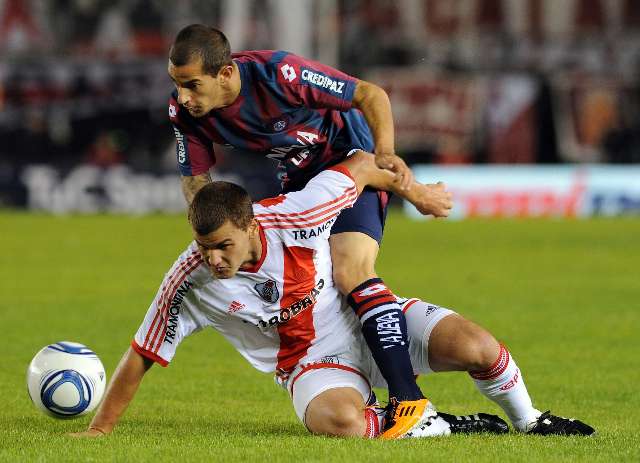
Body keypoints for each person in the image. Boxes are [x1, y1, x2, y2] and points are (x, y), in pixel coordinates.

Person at [71, 152, 594, 439]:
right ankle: (447, 426)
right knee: (340, 423)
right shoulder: (189, 282)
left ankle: (531, 422)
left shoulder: (298, 212)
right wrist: (100, 432)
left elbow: (363, 164)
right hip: (310, 366)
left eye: (222, 246)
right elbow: (142, 353)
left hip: (371, 325)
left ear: (251, 225)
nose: (212, 259)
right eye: (203, 247)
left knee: (480, 347)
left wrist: (414, 191)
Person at [166, 24, 452, 437]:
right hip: (299, 185)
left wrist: (388, 159)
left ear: (225, 74)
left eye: (192, 85)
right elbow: (197, 184)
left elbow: (370, 94)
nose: (183, 98)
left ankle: (410, 402)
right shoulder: (185, 114)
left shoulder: (280, 75)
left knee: (350, 270)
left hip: (352, 163)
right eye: (176, 85)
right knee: (318, 288)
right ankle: (364, 379)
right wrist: (209, 243)